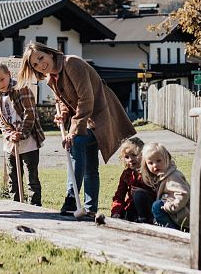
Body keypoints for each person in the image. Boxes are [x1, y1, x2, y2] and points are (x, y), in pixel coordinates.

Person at [18, 41, 135, 216]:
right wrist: (63, 114)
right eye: (35, 64)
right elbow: (66, 102)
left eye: (41, 58)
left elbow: (85, 99)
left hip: (100, 116)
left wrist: (72, 132)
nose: (40, 65)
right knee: (89, 165)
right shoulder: (52, 78)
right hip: (85, 119)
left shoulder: (71, 63)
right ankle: (90, 209)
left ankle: (72, 199)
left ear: (49, 53)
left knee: (77, 142)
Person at [0, 58, 44, 206]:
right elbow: (1, 122)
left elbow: (30, 114)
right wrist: (9, 134)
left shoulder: (22, 88)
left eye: (2, 79)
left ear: (9, 74)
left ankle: (35, 206)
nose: (0, 84)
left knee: (32, 177)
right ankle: (17, 204)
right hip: (10, 144)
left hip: (28, 142)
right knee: (13, 177)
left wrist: (22, 133)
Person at [141, 142, 190, 230]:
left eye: (158, 161)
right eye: (150, 163)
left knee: (157, 206)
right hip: (174, 212)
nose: (155, 165)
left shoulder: (173, 176)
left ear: (166, 158)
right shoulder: (162, 175)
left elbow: (183, 194)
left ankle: (172, 230)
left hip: (182, 214)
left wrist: (172, 206)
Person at [111, 137, 155, 223]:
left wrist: (143, 192)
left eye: (134, 155)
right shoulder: (126, 174)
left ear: (143, 154)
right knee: (126, 210)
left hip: (149, 208)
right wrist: (116, 211)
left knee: (139, 194)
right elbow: (119, 196)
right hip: (132, 209)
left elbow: (159, 193)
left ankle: (146, 222)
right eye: (127, 157)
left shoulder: (151, 171)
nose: (130, 159)